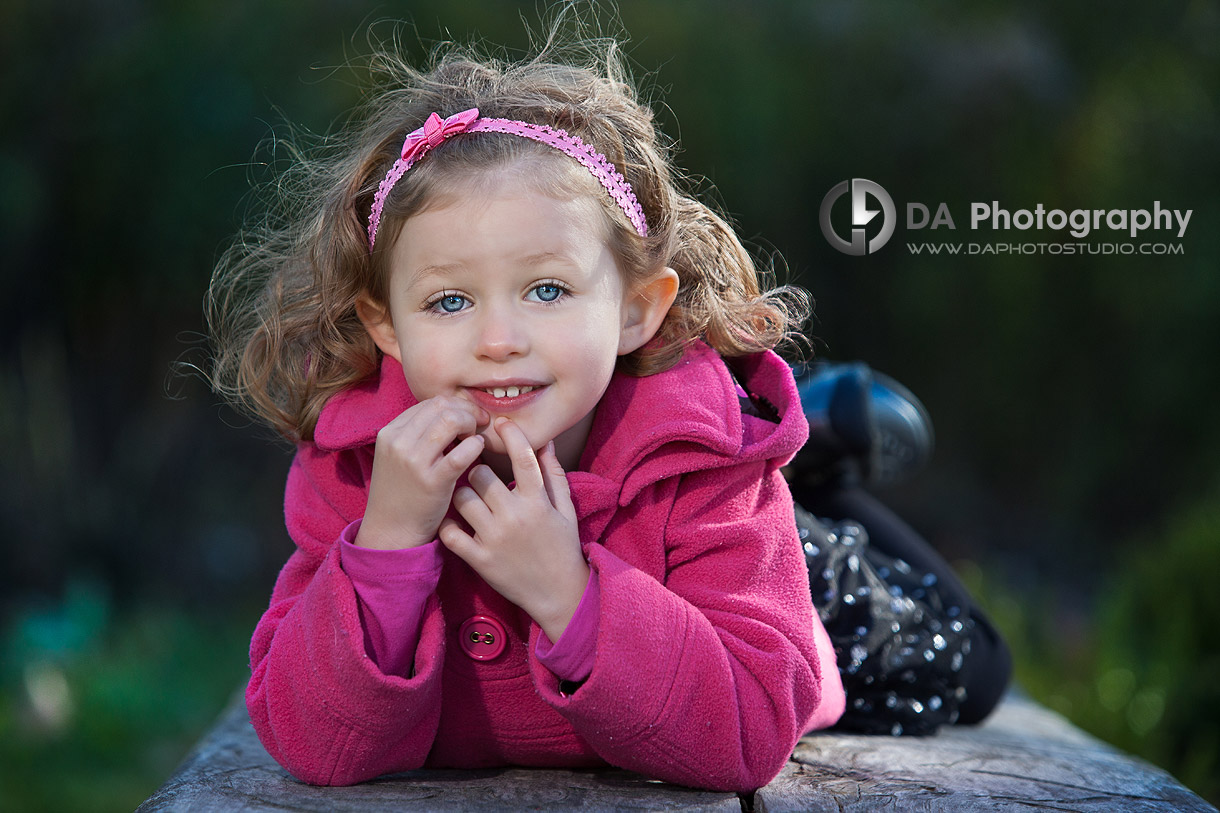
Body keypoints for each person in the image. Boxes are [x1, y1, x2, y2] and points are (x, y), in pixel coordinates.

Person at [206, 33, 844, 792]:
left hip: (811, 601)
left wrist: (565, 590)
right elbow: (311, 743)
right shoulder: (357, 463)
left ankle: (840, 469)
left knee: (949, 659)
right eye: (449, 301)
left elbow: (749, 732)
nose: (499, 341)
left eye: (547, 290)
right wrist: (387, 542)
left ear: (638, 308)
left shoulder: (706, 460)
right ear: (387, 328)